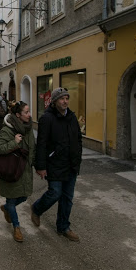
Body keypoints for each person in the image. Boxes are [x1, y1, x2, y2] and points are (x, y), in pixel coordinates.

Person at [31, 87, 82, 242]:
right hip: (54, 163)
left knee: (67, 198)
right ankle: (36, 208)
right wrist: (40, 166)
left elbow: (78, 139)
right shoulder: (47, 118)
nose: (65, 101)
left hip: (71, 164)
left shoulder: (72, 117)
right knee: (55, 193)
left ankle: (63, 227)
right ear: (54, 101)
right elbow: (41, 143)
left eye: (67, 98)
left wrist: (77, 158)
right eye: (62, 98)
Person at [0, 101, 35, 242]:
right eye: (26, 112)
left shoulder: (28, 128)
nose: (29, 115)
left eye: (29, 112)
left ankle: (6, 208)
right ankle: (17, 227)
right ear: (18, 115)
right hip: (11, 169)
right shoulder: (8, 129)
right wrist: (14, 143)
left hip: (25, 170)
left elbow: (32, 148)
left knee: (24, 196)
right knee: (11, 199)